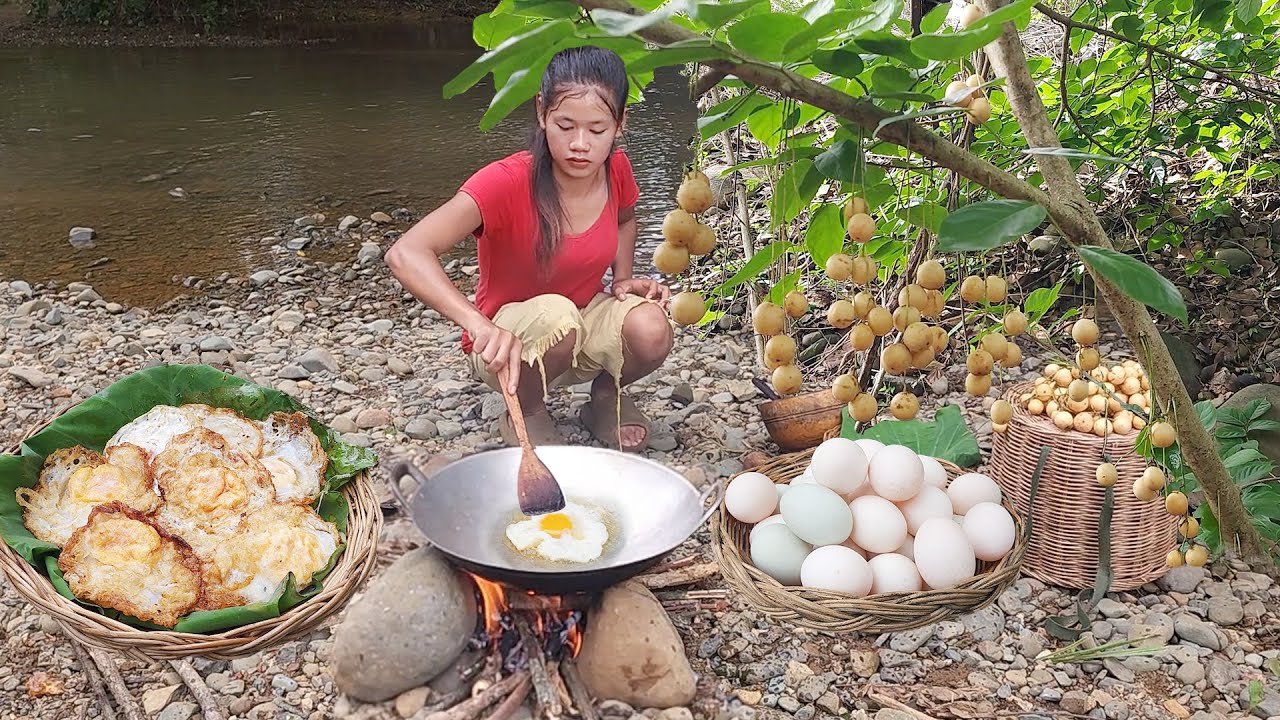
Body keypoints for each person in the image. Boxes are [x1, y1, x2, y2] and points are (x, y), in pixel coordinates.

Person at [385, 45, 674, 453]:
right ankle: (527, 410)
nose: (580, 144)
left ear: (620, 123)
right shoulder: (504, 182)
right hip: (507, 341)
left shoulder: (616, 170)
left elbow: (626, 220)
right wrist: (479, 325)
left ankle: (606, 399)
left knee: (652, 326)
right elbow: (406, 253)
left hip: (581, 317)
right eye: (565, 125)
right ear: (542, 113)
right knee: (557, 316)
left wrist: (623, 279)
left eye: (597, 130)